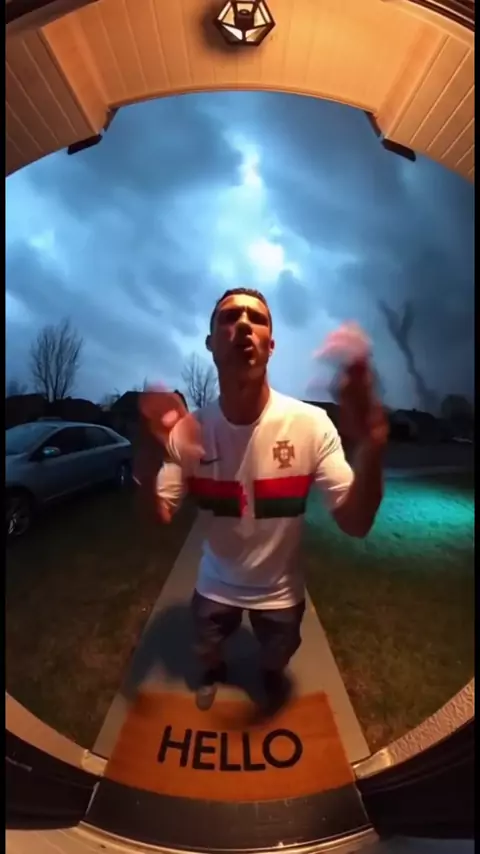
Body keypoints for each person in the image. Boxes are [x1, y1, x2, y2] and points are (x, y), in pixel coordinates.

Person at [138, 288, 388, 712]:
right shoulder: (189, 432)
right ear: (210, 343)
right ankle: (214, 672)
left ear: (271, 345)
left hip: (281, 592)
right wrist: (147, 459)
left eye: (257, 319)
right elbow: (156, 517)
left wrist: (372, 446)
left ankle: (269, 676)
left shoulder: (311, 425)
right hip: (215, 583)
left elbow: (357, 523)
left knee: (276, 659)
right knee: (207, 650)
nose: (243, 325)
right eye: (229, 317)